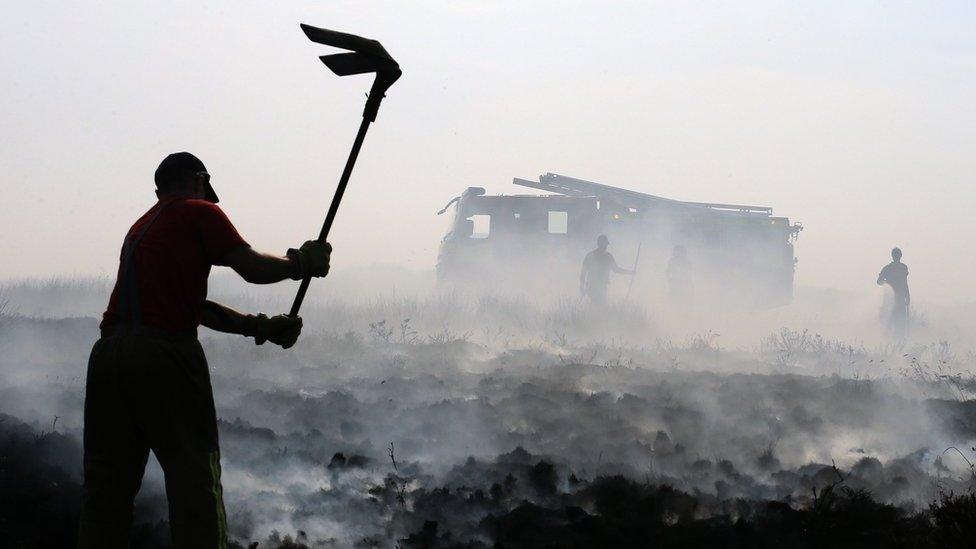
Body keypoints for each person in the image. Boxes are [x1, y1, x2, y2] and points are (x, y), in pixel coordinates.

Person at [78, 152, 331, 548]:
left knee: (107, 492)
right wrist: (298, 263)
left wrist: (258, 326)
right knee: (195, 483)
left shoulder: (141, 228)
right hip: (164, 358)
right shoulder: (198, 211)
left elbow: (192, 306)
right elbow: (251, 267)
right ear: (199, 180)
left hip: (109, 357)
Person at [579, 235, 633, 305]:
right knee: (597, 305)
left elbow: (616, 269)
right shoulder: (590, 256)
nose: (605, 247)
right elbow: (583, 272)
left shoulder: (608, 256)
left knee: (600, 306)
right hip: (592, 286)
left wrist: (630, 272)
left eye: (606, 245)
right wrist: (581, 287)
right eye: (603, 244)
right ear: (599, 244)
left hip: (602, 286)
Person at [877, 247, 910, 337]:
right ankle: (893, 342)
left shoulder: (895, 268)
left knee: (897, 324)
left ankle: (896, 342)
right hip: (894, 300)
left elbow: (904, 283)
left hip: (897, 300)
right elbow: (879, 281)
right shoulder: (900, 268)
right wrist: (907, 297)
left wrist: (907, 296)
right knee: (893, 324)